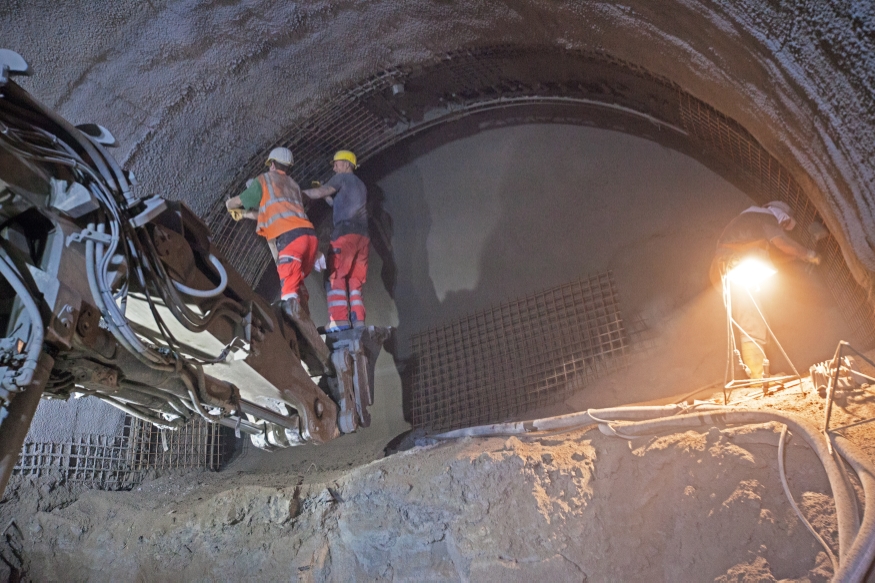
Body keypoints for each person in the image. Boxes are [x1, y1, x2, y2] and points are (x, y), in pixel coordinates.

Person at [225, 147, 330, 369]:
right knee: (297, 285)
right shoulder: (291, 186)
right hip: (310, 239)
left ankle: (299, 335)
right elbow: (267, 213)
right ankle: (307, 324)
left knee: (288, 296)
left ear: (272, 164)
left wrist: (230, 206)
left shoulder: (264, 181)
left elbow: (239, 202)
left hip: (290, 241)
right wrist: (245, 215)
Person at [711, 200, 821, 385]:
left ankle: (761, 374)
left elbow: (778, 255)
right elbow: (783, 243)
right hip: (734, 266)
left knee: (756, 320)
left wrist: (798, 255)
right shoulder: (764, 216)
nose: (782, 227)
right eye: (784, 224)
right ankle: (758, 377)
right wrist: (809, 254)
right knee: (751, 320)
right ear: (780, 214)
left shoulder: (751, 225)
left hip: (731, 267)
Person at [303, 150, 369, 332]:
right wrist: (326, 196)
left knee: (335, 275)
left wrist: (298, 194)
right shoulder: (360, 185)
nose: (334, 167)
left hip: (345, 233)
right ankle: (358, 322)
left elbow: (321, 191)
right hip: (362, 237)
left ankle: (339, 321)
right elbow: (336, 204)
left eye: (336, 163)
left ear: (347, 164)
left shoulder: (342, 179)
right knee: (354, 281)